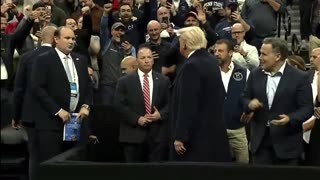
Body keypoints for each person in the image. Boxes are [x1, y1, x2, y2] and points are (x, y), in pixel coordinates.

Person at [24, 26, 92, 179]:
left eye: (73, 39)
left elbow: (88, 88)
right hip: (50, 124)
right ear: (56, 39)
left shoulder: (81, 60)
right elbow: (37, 88)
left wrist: (86, 106)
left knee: (72, 168)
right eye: (67, 38)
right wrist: (57, 110)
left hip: (75, 124)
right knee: (51, 168)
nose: (71, 42)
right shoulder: (44, 59)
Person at [241, 38, 313, 165]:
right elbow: (244, 98)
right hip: (260, 142)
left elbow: (307, 109)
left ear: (277, 56)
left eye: (264, 54)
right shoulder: (255, 74)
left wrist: (290, 118)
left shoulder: (300, 77)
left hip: (287, 144)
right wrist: (249, 104)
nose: (260, 57)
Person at [170, 26, 231, 162]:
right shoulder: (211, 61)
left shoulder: (191, 65)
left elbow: (187, 103)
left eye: (180, 41)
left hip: (195, 138)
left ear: (185, 44)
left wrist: (180, 136)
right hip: (211, 133)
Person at [12, 26, 56, 180]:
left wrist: (15, 116)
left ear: (41, 38)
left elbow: (19, 89)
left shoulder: (26, 58)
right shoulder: (60, 58)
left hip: (31, 116)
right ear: (55, 38)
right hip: (55, 115)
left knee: (35, 156)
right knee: (55, 156)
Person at [114, 46, 170, 162]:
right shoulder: (124, 81)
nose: (146, 60)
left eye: (149, 57)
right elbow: (118, 105)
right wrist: (137, 119)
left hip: (157, 137)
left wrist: (160, 115)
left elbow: (170, 104)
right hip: (132, 136)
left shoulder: (164, 81)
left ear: (153, 60)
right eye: (143, 57)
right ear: (137, 61)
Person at [214, 39, 250, 163]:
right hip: (216, 130)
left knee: (243, 166)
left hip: (238, 129)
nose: (217, 54)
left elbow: (251, 96)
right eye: (215, 51)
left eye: (220, 51)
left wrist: (250, 110)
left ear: (230, 53)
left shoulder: (244, 73)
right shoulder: (210, 72)